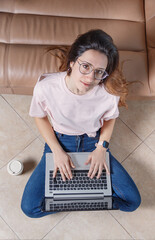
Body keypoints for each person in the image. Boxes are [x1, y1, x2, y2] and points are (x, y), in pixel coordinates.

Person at [21, 29, 141, 218]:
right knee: (30, 208)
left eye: (99, 72)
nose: (90, 78)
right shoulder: (46, 87)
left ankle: (81, 196)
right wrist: (57, 151)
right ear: (72, 62)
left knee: (132, 202)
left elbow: (110, 118)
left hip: (93, 143)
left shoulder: (108, 92)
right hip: (60, 142)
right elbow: (40, 116)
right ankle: (85, 197)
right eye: (85, 66)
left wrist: (102, 148)